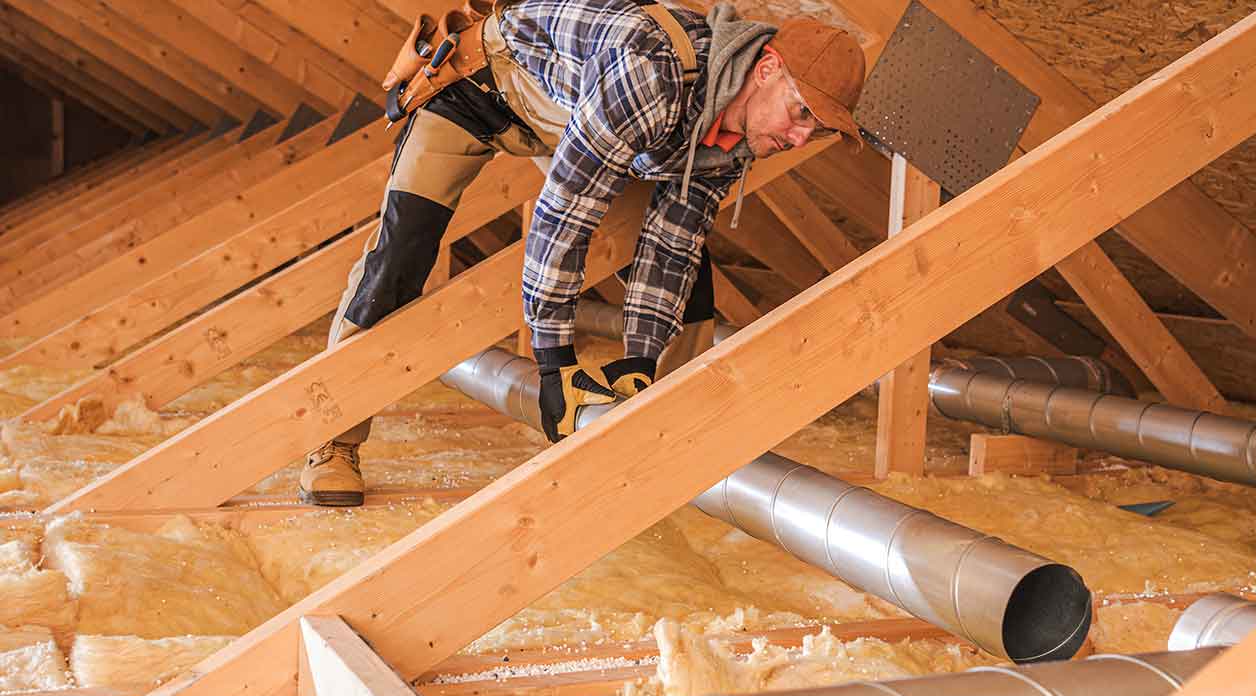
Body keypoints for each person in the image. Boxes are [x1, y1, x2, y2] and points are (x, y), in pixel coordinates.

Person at [298, 0, 867, 507]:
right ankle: (332, 441)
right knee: (399, 255)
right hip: (478, 90)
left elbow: (673, 240)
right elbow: (565, 212)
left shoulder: (740, 133)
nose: (798, 140)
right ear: (766, 68)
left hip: (570, 115)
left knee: (691, 274)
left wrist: (638, 361)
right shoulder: (656, 72)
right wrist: (554, 362)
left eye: (815, 132)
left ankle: (667, 437)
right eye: (800, 115)